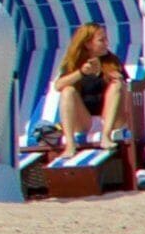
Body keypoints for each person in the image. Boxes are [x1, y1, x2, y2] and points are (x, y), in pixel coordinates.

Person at [52, 23, 130, 152]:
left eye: (106, 39)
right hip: (85, 121)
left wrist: (118, 78)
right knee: (67, 91)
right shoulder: (74, 63)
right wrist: (81, 73)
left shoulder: (112, 61)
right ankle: (70, 145)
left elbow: (127, 92)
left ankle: (106, 136)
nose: (106, 43)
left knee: (117, 84)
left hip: (111, 119)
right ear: (88, 44)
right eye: (101, 40)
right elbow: (58, 86)